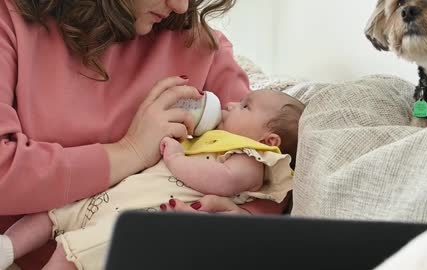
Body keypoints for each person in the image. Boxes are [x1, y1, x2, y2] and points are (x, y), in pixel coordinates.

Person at [0, 0, 288, 268]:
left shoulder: (201, 46)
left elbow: (265, 161)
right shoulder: (10, 22)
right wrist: (131, 151)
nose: (180, 6)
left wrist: (245, 219)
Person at [0, 89, 304, 270]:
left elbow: (223, 181)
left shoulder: (254, 158)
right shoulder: (216, 138)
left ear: (270, 139)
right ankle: (7, 248)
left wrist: (176, 159)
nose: (231, 104)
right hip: (114, 196)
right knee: (53, 210)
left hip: (138, 216)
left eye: (245, 106)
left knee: (73, 255)